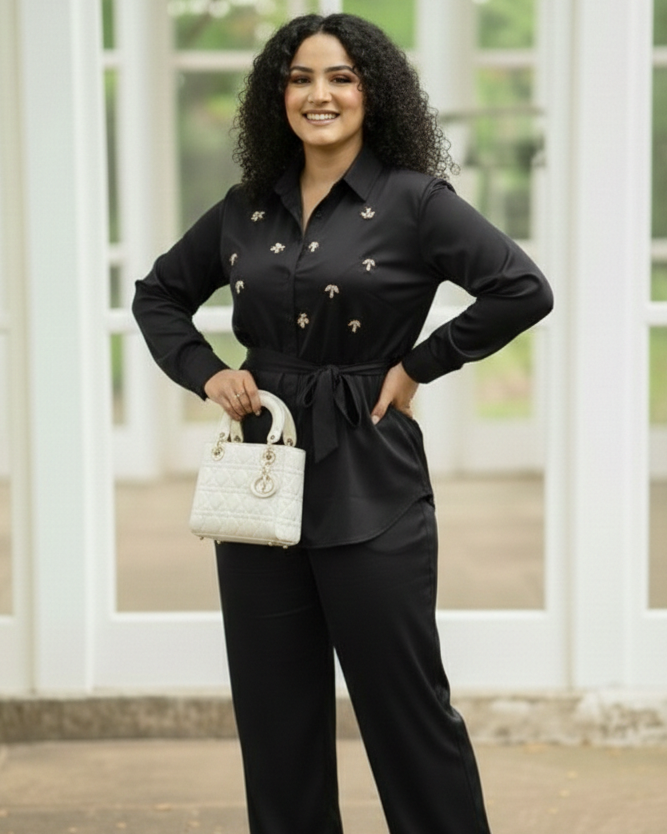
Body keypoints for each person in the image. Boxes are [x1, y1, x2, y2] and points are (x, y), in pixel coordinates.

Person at [133, 13, 553, 834]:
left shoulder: (415, 200)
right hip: (264, 470)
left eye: (340, 77)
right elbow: (158, 294)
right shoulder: (243, 209)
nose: (318, 94)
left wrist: (417, 365)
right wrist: (207, 370)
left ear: (373, 93)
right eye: (299, 78)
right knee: (274, 716)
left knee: (405, 711)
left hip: (372, 470)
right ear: (275, 95)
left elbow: (521, 289)